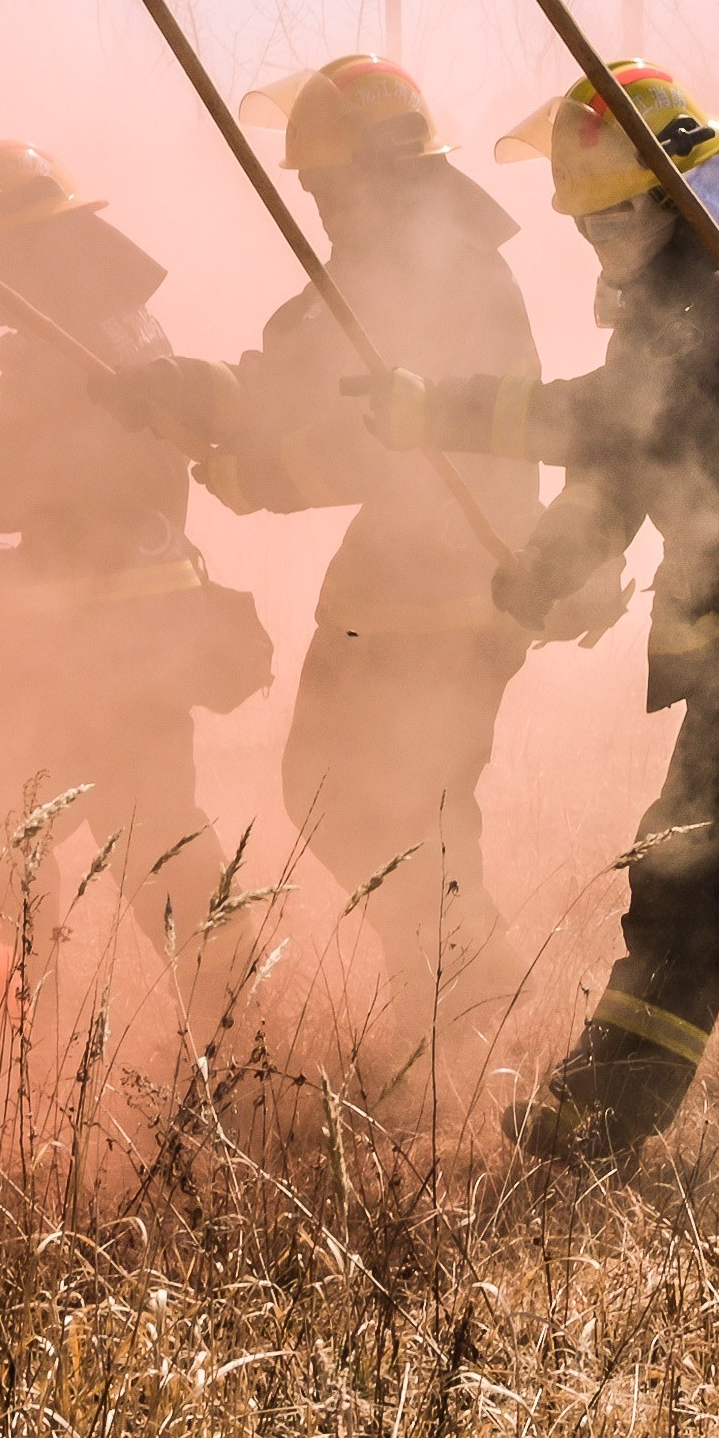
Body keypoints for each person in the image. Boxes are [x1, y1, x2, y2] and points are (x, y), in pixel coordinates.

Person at [374, 65, 719, 1158]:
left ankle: (602, 1114)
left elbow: (615, 424)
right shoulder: (674, 306)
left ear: (679, 203)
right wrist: (546, 568)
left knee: (686, 870)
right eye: (583, 223)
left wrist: (439, 410)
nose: (599, 240)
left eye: (619, 213)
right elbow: (640, 473)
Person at [102, 56, 547, 990]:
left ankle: (475, 995)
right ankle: (453, 992)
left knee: (399, 809)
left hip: (453, 591)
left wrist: (257, 472)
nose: (319, 207)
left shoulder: (450, 279)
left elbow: (380, 437)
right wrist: (192, 390)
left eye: (328, 186)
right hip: (390, 587)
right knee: (338, 791)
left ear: (380, 172)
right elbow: (289, 381)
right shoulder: (378, 268)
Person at [0, 140, 272, 925]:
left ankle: (8, 1036)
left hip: (80, 636)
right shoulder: (121, 320)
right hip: (155, 624)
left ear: (21, 254)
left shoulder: (56, 340)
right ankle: (241, 1029)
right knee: (158, 838)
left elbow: (29, 477)